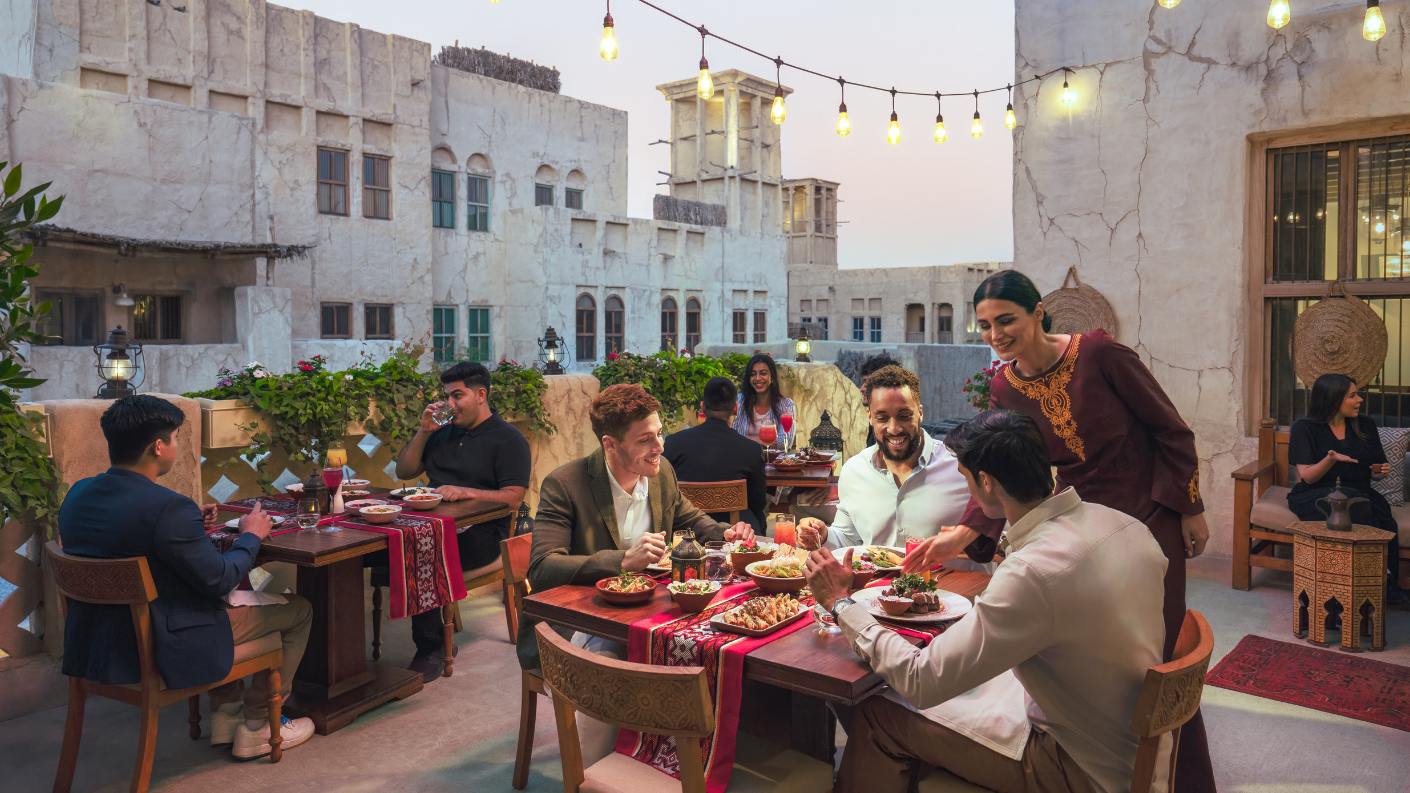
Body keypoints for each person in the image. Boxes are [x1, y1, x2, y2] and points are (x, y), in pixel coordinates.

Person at [804, 410, 1169, 793]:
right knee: (946, 690)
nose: (968, 494)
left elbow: (920, 680)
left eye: (965, 479)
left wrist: (841, 603)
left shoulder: (1033, 572)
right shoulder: (1125, 525)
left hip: (1082, 766)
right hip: (1134, 742)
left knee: (880, 711)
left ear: (987, 482)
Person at [975, 269, 1215, 791]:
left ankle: (1183, 779)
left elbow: (1170, 430)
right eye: (985, 325)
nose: (996, 335)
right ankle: (1106, 769)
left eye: (1006, 320)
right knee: (1098, 657)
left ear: (1038, 311)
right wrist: (968, 534)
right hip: (1079, 534)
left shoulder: (1101, 354)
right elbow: (996, 462)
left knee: (1159, 655)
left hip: (1149, 519)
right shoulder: (1002, 385)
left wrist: (1189, 506)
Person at [58, 395, 315, 760]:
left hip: (99, 643)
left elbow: (117, 538)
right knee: (298, 610)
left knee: (208, 601)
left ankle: (226, 714)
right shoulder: (167, 508)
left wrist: (187, 525)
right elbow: (220, 580)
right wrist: (251, 536)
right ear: (158, 446)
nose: (177, 446)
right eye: (176, 438)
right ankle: (258, 726)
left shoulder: (78, 493)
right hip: (158, 645)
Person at [516, 384, 755, 763]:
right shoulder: (565, 484)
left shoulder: (661, 473)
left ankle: (672, 762)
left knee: (719, 650)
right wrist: (622, 561)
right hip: (579, 624)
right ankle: (589, 777)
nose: (659, 446)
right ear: (610, 445)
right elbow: (543, 567)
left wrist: (724, 532)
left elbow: (687, 516)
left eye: (659, 434)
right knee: (612, 662)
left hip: (649, 611)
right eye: (645, 439)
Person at [384, 360, 532, 681]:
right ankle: (344, 657)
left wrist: (463, 491)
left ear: (481, 394)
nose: (449, 404)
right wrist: (424, 431)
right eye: (447, 397)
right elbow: (405, 471)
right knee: (377, 550)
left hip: (486, 532)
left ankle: (431, 649)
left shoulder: (509, 439)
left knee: (422, 555)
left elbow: (515, 497)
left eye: (457, 396)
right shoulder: (442, 432)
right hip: (431, 524)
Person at [798, 365, 1003, 567]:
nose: (894, 428)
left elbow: (1002, 532)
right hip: (879, 596)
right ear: (870, 417)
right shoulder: (854, 470)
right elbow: (849, 540)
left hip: (957, 595)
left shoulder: (962, 467)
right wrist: (823, 534)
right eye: (882, 418)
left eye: (904, 416)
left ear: (920, 413)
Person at [1288, 373, 1406, 605]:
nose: (1360, 400)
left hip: (1361, 494)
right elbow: (1308, 477)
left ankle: (1355, 592)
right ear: (1333, 400)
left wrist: (1379, 472)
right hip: (1316, 494)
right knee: (1351, 504)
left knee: (1378, 514)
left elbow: (1374, 471)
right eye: (1353, 395)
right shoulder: (1305, 428)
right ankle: (1382, 581)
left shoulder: (1366, 425)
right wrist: (1330, 459)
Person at [663, 376, 768, 533]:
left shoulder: (672, 443)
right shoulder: (752, 449)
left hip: (688, 532)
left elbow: (666, 494)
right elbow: (758, 502)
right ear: (736, 409)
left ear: (703, 407)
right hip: (738, 533)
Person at [733, 353, 796, 446]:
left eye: (763, 373)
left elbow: (786, 441)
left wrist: (747, 439)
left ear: (773, 378)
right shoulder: (739, 401)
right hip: (744, 458)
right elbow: (732, 437)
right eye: (753, 374)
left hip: (774, 460)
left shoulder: (786, 404)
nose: (757, 378)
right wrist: (765, 441)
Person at [857, 352, 901, 450]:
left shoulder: (891, 427)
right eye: (863, 382)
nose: (862, 389)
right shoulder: (877, 421)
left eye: (868, 384)